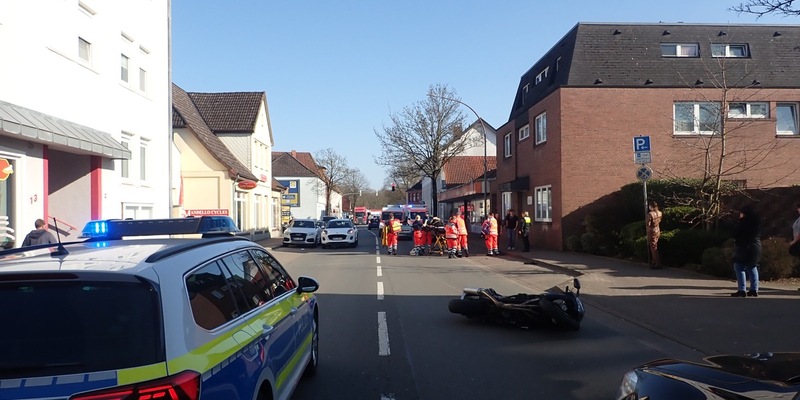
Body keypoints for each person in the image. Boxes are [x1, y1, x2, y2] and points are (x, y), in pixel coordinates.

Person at [731, 205, 761, 297]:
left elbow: (735, 234)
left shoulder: (743, 223)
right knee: (752, 267)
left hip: (744, 247)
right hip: (755, 247)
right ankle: (754, 289)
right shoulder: (756, 223)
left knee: (739, 267)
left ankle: (742, 290)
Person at [646, 200, 663, 269]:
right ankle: (654, 262)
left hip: (652, 231)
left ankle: (657, 263)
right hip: (657, 230)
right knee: (655, 245)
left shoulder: (650, 214)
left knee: (653, 248)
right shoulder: (660, 213)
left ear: (651, 206)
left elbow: (648, 224)